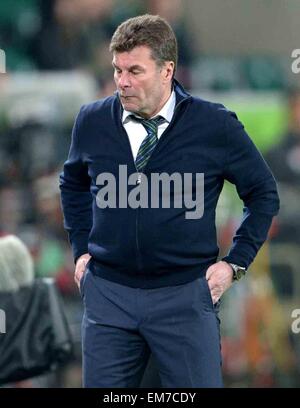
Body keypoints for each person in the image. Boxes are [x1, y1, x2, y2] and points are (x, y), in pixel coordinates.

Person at [59, 14, 280, 388]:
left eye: (135, 70)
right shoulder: (92, 120)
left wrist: (235, 264)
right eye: (117, 69)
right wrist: (81, 249)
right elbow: (72, 184)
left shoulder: (215, 125)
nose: (122, 82)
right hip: (109, 294)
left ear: (167, 71)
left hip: (185, 295)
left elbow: (263, 194)